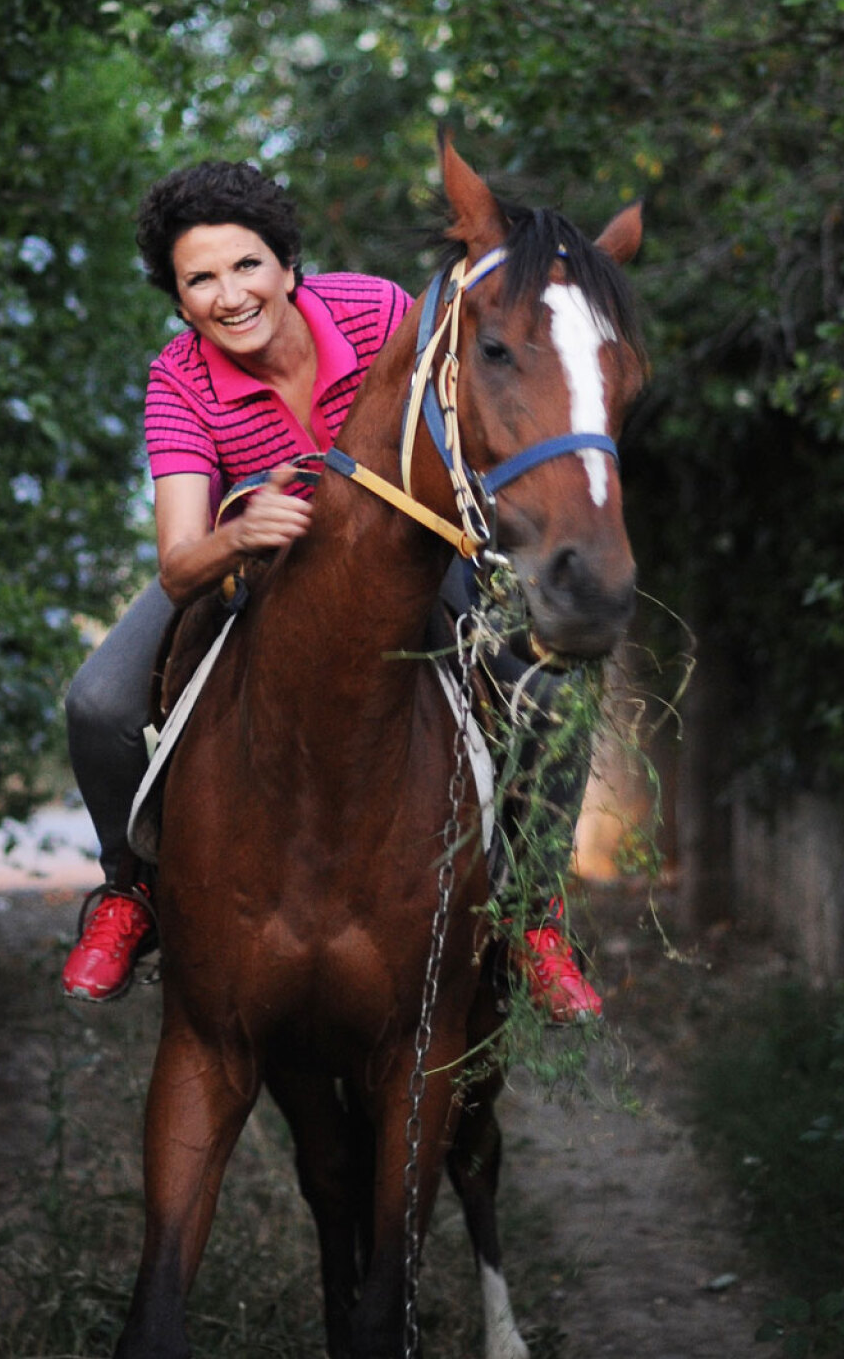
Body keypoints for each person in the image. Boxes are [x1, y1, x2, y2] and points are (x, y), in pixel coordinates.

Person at [59, 160, 603, 1020]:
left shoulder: (380, 311)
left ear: (285, 265)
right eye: (199, 279)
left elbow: (479, 407)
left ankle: (531, 912)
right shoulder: (178, 381)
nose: (229, 295)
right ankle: (132, 893)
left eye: (246, 266)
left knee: (551, 691)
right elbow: (178, 562)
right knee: (96, 702)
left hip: (408, 563)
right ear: (177, 298)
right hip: (250, 578)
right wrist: (240, 534)